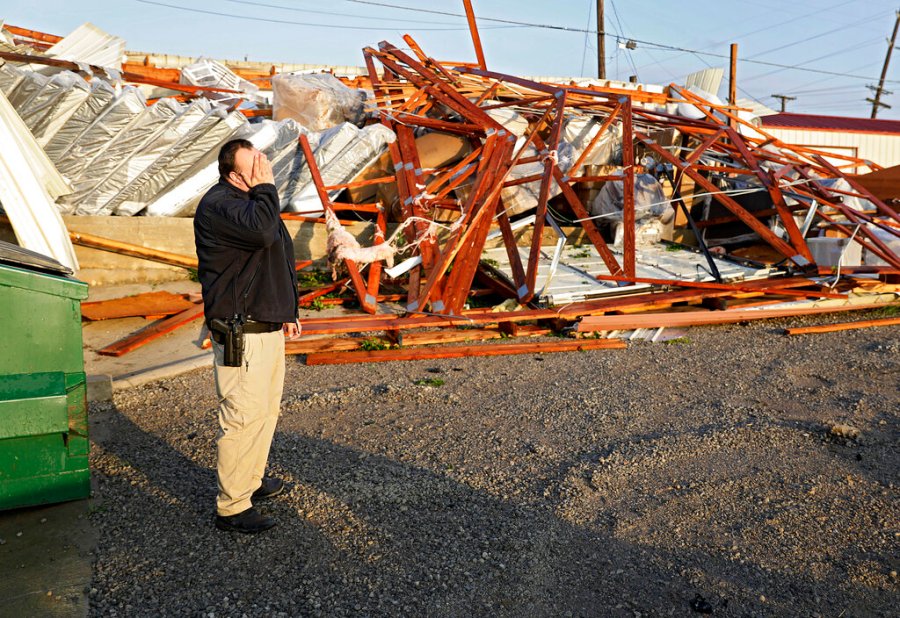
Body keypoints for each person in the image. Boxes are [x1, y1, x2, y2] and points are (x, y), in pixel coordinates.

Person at [194, 139, 300, 534]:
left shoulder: (254, 202)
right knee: (241, 417)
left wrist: (288, 311)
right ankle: (231, 507)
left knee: (265, 413)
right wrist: (267, 187)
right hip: (242, 329)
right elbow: (261, 234)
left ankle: (250, 483)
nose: (263, 166)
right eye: (254, 163)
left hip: (266, 324)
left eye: (262, 159)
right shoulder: (221, 204)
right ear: (234, 173)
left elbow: (279, 253)